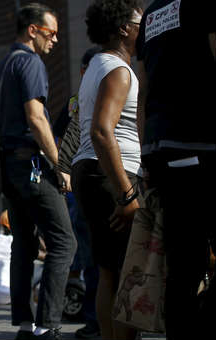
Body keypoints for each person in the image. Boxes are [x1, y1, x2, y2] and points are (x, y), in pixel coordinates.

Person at [0, 3, 77, 339]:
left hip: (9, 166)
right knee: (64, 242)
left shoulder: (2, 67)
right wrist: (60, 165)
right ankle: (48, 325)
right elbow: (36, 117)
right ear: (32, 30)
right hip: (32, 165)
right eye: (50, 32)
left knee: (23, 242)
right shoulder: (30, 62)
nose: (54, 40)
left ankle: (26, 325)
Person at [135, 1, 216, 339]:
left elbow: (143, 91)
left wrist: (145, 155)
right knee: (188, 264)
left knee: (183, 264)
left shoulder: (152, 15)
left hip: (160, 146)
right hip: (200, 142)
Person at [71, 1, 143, 339]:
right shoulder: (118, 70)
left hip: (91, 172)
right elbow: (102, 130)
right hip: (112, 175)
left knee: (109, 272)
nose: (144, 26)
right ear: (123, 29)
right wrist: (127, 193)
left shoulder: (96, 65)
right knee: (128, 273)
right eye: (138, 21)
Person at [53, 46, 102, 339]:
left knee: (92, 257)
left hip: (83, 182)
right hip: (96, 180)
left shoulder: (78, 99)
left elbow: (60, 137)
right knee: (96, 257)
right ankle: (98, 320)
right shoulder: (109, 89)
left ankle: (96, 320)